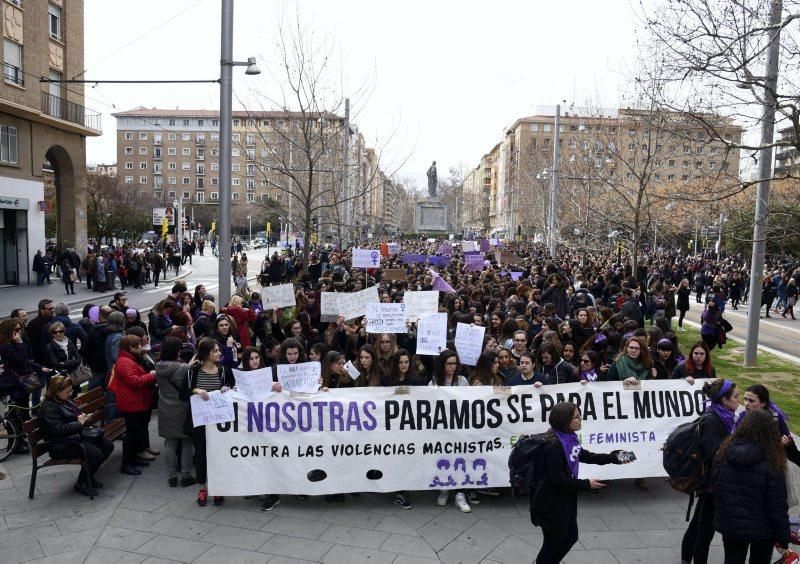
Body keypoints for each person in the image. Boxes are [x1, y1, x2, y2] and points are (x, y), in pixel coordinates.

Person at [530, 401, 631, 563]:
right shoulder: (553, 445)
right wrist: (587, 484)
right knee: (553, 543)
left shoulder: (569, 439)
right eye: (577, 417)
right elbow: (557, 480)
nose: (580, 420)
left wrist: (616, 457)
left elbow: (587, 456)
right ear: (565, 421)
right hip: (550, 503)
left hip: (565, 499)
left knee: (570, 537)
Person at [712, 408, 790, 563]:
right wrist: (783, 537)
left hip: (731, 524)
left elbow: (715, 484)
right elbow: (777, 507)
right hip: (762, 529)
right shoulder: (773, 462)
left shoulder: (724, 452)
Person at [681, 378, 740, 564]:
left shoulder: (724, 416)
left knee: (699, 526)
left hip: (714, 484)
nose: (739, 400)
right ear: (725, 400)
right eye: (736, 396)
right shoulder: (713, 420)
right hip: (712, 486)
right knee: (704, 533)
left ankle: (685, 559)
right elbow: (715, 453)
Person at [39, 375, 114, 496]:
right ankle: (81, 483)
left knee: (107, 445)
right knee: (95, 454)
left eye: (71, 390)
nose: (70, 393)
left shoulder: (64, 400)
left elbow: (74, 415)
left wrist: (83, 416)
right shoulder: (49, 408)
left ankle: (87, 477)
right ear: (56, 391)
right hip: (61, 444)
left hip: (74, 437)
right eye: (67, 391)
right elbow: (58, 430)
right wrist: (79, 423)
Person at [187, 337, 235, 507]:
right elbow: (183, 392)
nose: (219, 353)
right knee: (200, 454)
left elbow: (232, 384)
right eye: (215, 351)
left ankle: (218, 488)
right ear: (207, 353)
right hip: (200, 421)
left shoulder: (223, 370)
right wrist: (196, 389)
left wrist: (226, 387)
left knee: (218, 454)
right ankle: (203, 488)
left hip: (219, 422)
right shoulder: (194, 371)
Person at [429, 349, 471, 512]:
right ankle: (444, 488)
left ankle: (460, 493)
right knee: (444, 458)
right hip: (442, 429)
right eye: (449, 363)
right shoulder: (434, 383)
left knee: (460, 458)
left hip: (459, 428)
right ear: (442, 364)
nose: (453, 367)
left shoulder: (462, 381)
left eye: (455, 363)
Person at [111, 334, 157, 476]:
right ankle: (126, 464)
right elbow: (134, 381)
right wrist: (151, 375)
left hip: (137, 401)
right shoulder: (124, 361)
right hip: (132, 404)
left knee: (137, 432)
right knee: (131, 434)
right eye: (136, 345)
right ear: (129, 347)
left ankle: (134, 458)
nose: (139, 347)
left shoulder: (130, 359)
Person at [156, 336, 196, 488]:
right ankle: (186, 475)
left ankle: (172, 476)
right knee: (186, 443)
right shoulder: (183, 368)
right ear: (177, 351)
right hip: (182, 408)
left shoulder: (158, 366)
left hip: (165, 407)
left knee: (170, 444)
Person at [740, 384, 800, 467]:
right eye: (745, 399)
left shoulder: (775, 418)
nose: (746, 403)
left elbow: (789, 448)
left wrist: (787, 443)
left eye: (751, 401)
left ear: (763, 403)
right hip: (747, 464)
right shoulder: (742, 416)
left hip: (769, 466)